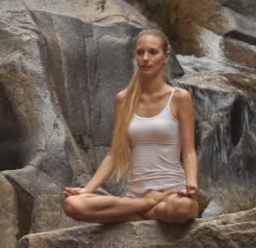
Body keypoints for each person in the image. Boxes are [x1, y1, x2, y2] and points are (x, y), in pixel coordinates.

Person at [62, 29, 199, 224]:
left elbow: (189, 152)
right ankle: (148, 206)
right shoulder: (123, 99)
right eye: (140, 52)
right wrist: (87, 189)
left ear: (165, 57)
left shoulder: (179, 98)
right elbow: (113, 154)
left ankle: (135, 213)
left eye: (152, 52)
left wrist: (191, 183)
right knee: (72, 204)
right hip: (135, 196)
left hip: (171, 193)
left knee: (186, 207)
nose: (145, 58)